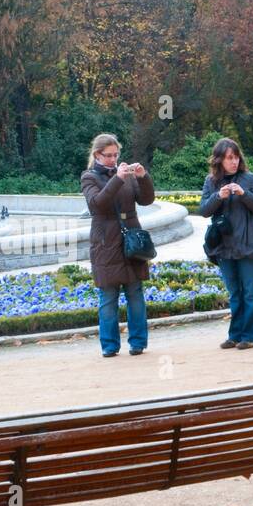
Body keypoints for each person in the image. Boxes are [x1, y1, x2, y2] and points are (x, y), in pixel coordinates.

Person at [80, 133, 155, 357]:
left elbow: (146, 200)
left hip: (131, 237)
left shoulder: (126, 175)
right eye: (109, 155)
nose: (113, 159)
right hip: (106, 241)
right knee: (108, 297)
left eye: (116, 155)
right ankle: (110, 346)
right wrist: (117, 179)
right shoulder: (89, 177)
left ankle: (138, 343)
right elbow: (97, 204)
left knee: (135, 293)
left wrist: (143, 177)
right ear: (97, 155)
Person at [199, 137, 253, 349]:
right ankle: (235, 334)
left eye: (236, 157)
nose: (234, 161)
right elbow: (203, 210)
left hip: (249, 243)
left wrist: (244, 194)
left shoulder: (249, 179)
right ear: (219, 160)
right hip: (223, 245)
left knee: (250, 292)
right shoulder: (210, 181)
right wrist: (217, 197)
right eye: (229, 158)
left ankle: (250, 336)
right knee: (235, 293)